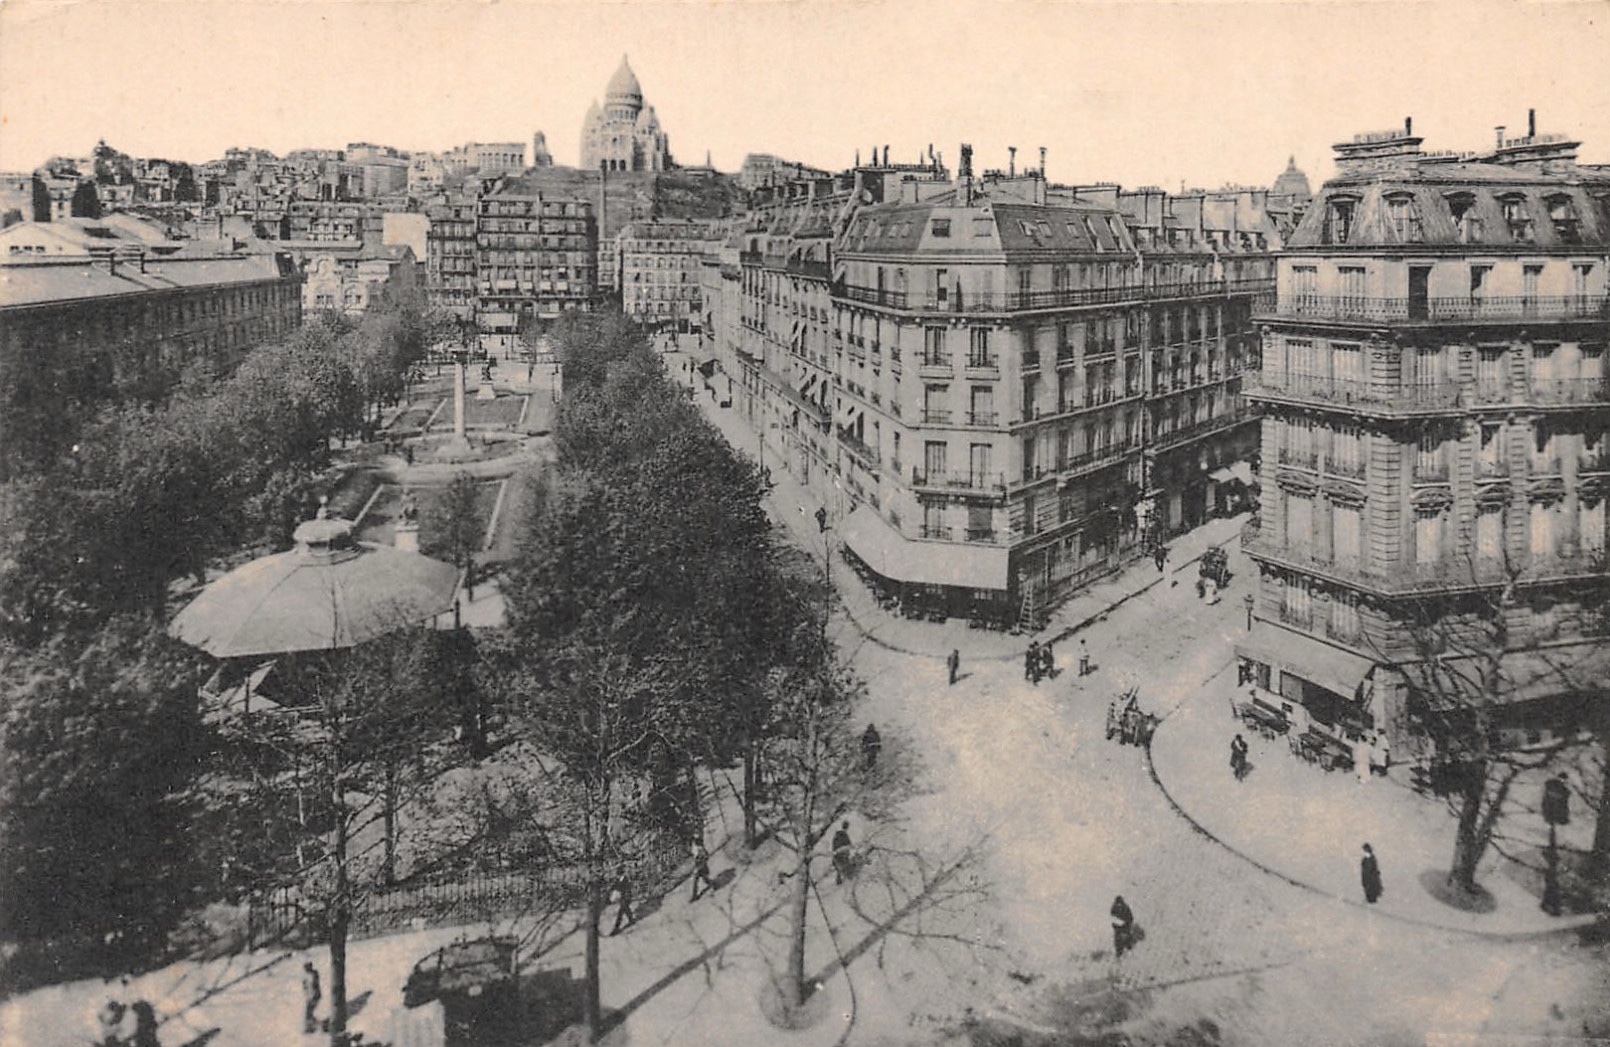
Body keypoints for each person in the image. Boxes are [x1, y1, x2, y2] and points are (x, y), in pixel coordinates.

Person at [609, 863, 635, 936]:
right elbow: (615, 885)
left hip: (626, 898)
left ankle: (616, 928)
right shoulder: (619, 879)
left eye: (617, 874)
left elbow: (628, 888)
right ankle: (631, 920)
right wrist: (612, 888)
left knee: (620, 913)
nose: (617, 876)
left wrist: (619, 890)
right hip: (622, 898)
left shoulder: (626, 879)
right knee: (626, 909)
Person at [301, 961, 322, 1035]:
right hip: (310, 996)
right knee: (309, 1013)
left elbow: (314, 986)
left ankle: (314, 1026)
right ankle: (313, 1026)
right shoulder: (306, 976)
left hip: (314, 996)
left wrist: (313, 997)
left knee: (308, 1013)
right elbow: (305, 987)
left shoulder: (314, 975)